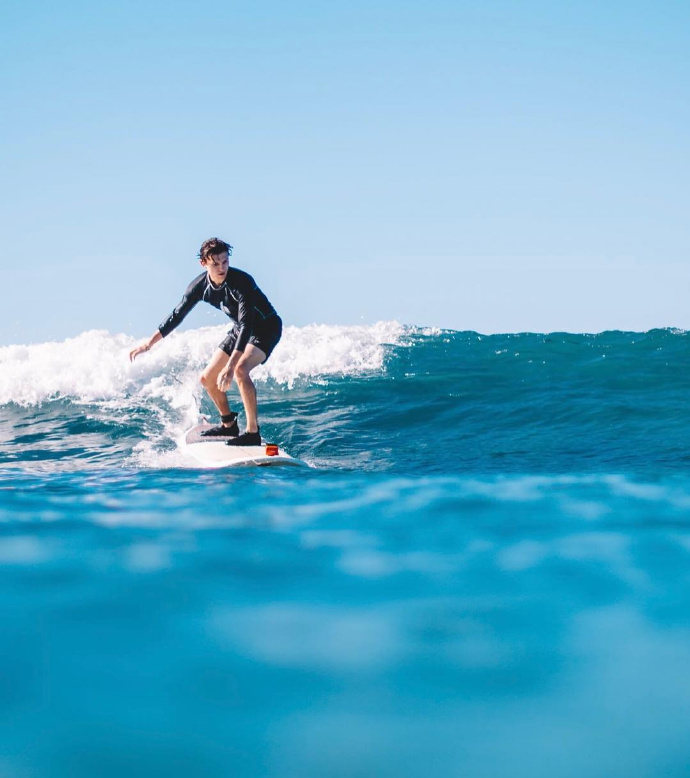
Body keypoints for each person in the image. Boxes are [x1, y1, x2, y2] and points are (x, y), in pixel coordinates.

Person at [129, 237, 282, 446]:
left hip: (265, 327)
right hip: (240, 329)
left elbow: (248, 324)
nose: (222, 268)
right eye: (215, 263)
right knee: (208, 379)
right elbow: (177, 315)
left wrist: (230, 366)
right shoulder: (200, 286)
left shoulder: (242, 282)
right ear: (204, 263)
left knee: (239, 370)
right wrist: (149, 343)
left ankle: (252, 432)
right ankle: (229, 425)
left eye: (225, 262)